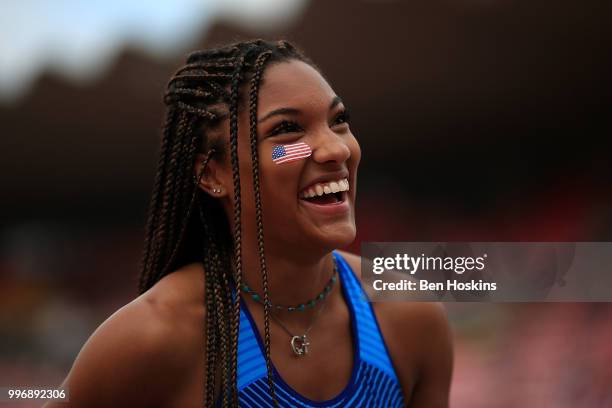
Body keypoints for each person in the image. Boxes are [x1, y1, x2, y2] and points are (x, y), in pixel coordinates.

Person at [47, 39, 453, 407]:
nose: (334, 148)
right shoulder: (153, 337)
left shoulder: (410, 314)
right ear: (212, 174)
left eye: (338, 120)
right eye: (286, 131)